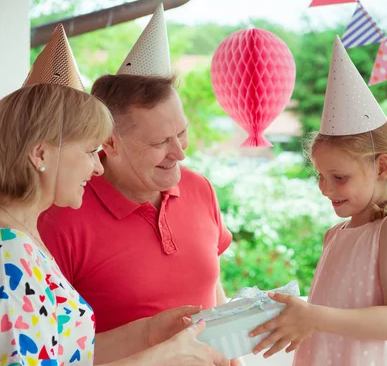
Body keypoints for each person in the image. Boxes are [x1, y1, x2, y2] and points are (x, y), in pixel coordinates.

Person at [37, 6, 240, 365]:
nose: (179, 152)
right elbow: (49, 350)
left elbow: (211, 287)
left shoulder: (200, 189)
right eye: (160, 142)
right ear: (110, 143)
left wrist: (227, 349)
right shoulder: (59, 217)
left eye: (182, 133)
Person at [0, 80, 227, 365]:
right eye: (89, 151)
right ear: (41, 154)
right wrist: (163, 357)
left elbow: (66, 354)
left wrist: (147, 333)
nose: (98, 166)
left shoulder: (23, 242)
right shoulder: (11, 255)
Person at [248, 36, 387, 366]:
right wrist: (293, 316)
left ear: (381, 167)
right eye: (320, 176)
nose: (325, 188)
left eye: (339, 177)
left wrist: (314, 316)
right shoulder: (335, 236)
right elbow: (330, 314)